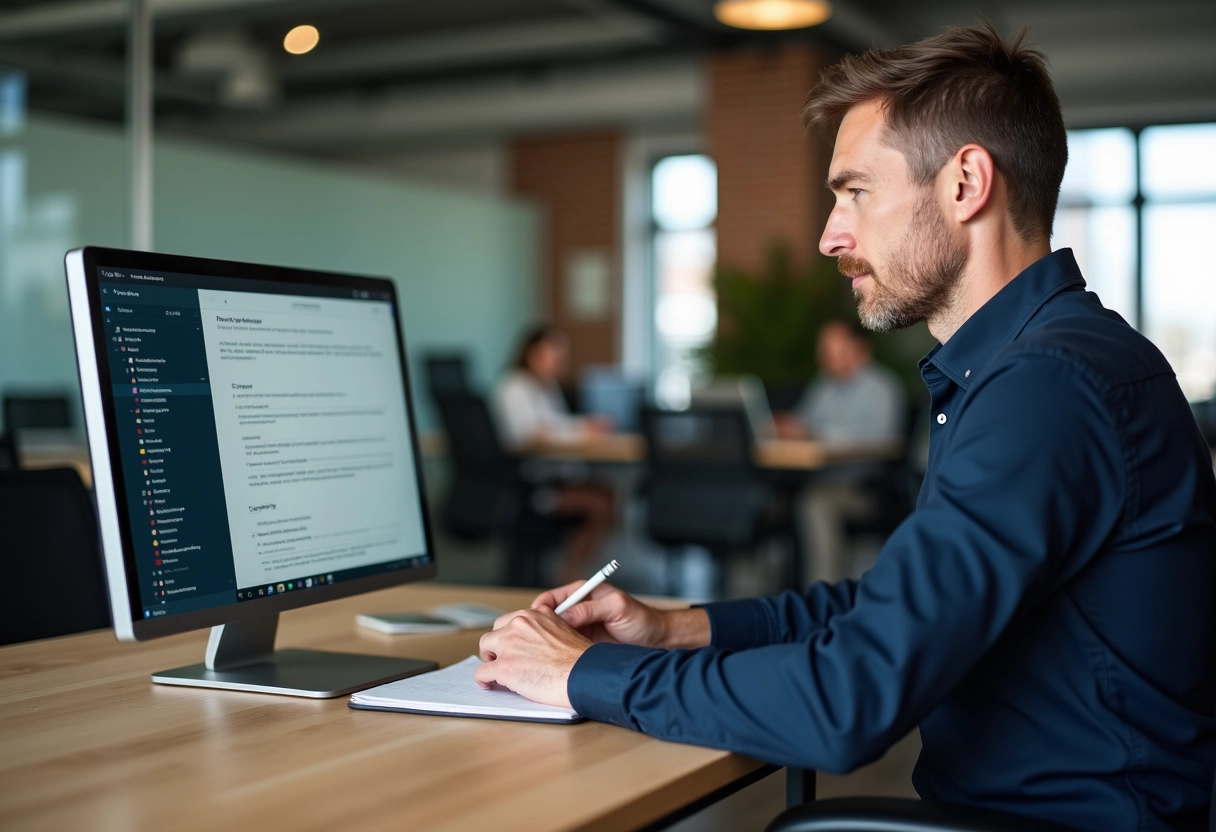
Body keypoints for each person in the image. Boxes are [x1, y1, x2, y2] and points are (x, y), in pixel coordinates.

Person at [472, 23, 1216, 831]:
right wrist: (674, 628)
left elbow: (846, 699)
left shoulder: (1046, 386)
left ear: (966, 183)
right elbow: (892, 608)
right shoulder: (1036, 365)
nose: (831, 233)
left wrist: (584, 674)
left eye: (854, 191)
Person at [776, 319, 906, 581]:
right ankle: (769, 597)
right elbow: (804, 424)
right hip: (820, 480)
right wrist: (786, 426)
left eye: (835, 350)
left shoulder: (882, 388)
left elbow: (881, 440)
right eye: (824, 351)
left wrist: (814, 435)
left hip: (864, 488)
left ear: (860, 350)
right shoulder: (824, 385)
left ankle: (823, 596)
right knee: (770, 500)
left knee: (815, 504)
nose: (827, 358)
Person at [493, 325, 614, 582]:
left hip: (555, 477)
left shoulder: (546, 386)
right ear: (533, 354)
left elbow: (556, 423)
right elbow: (533, 434)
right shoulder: (515, 388)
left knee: (606, 496)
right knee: (598, 504)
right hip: (532, 486)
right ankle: (570, 578)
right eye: (555, 355)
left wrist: (583, 426)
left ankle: (572, 573)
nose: (561, 362)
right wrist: (582, 431)